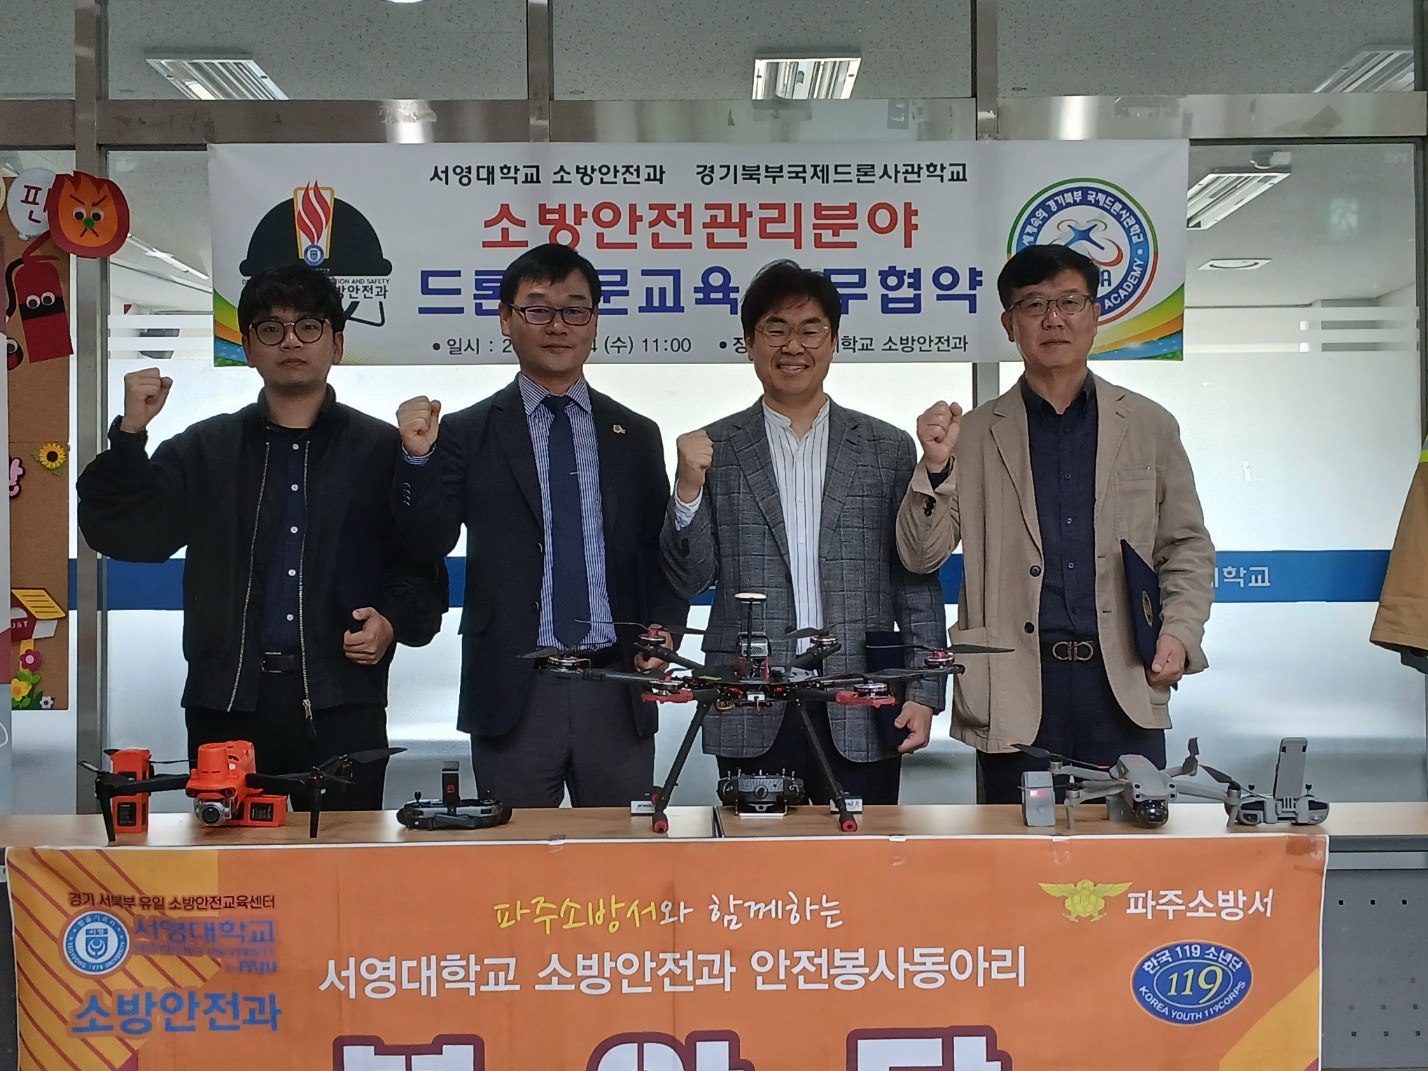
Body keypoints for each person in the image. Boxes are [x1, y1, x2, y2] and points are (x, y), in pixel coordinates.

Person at [77, 263, 448, 808]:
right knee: (231, 859)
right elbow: (128, 535)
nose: (290, 341)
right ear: (248, 348)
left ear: (337, 343)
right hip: (227, 705)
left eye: (308, 327)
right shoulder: (206, 449)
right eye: (271, 329)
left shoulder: (380, 450)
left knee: (342, 857)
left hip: (343, 703)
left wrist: (391, 622)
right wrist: (131, 436)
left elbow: (421, 561)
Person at [895, 244, 1215, 803]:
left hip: (1121, 683)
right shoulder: (973, 434)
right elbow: (921, 556)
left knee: (1128, 846)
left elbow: (1186, 546)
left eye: (1069, 302)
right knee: (1015, 849)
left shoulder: (1149, 425)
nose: (1053, 319)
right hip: (1013, 687)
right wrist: (936, 466)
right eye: (1034, 305)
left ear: (1095, 315)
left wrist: (1180, 632)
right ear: (1009, 324)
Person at [393, 243, 687, 808]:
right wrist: (417, 460)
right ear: (506, 319)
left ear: (595, 322)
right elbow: (427, 541)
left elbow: (660, 553)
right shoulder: (466, 432)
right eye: (537, 309)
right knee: (514, 858)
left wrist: (665, 631)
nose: (557, 325)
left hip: (615, 685)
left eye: (575, 310)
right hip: (514, 688)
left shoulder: (635, 434)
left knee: (620, 854)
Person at [660, 260, 946, 805]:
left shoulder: (885, 449)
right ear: (749, 343)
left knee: (862, 852)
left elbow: (913, 579)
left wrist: (924, 689)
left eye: (810, 330)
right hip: (750, 694)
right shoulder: (715, 449)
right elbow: (688, 578)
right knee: (756, 855)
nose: (793, 345)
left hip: (859, 694)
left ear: (833, 341)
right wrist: (688, 489)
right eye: (776, 329)